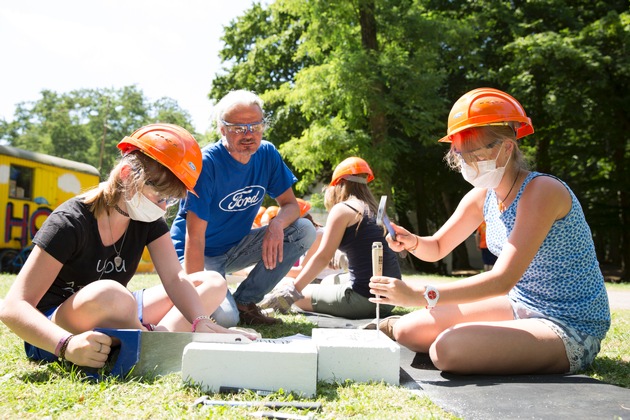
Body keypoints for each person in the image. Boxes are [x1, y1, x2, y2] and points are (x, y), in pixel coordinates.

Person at [370, 87, 610, 375]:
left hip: (567, 322)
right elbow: (436, 247)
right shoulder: (483, 197)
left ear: (506, 147)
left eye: (473, 154)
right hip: (519, 304)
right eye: (459, 155)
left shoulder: (541, 191)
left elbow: (501, 280)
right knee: (409, 330)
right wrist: (412, 242)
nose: (466, 164)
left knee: (446, 350)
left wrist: (419, 295)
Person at [0, 123, 252, 369]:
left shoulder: (146, 216)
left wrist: (199, 320)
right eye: (160, 196)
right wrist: (66, 345)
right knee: (111, 295)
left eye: (171, 200)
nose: (164, 208)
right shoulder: (69, 222)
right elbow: (13, 307)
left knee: (212, 282)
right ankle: (150, 339)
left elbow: (175, 278)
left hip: (120, 309)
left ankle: (151, 343)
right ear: (127, 175)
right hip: (56, 328)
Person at [170, 90, 316, 326]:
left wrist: (276, 224)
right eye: (238, 128)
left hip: (235, 247)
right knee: (225, 319)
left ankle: (245, 302)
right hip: (198, 253)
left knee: (303, 230)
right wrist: (197, 301)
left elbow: (290, 205)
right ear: (222, 129)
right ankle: (176, 293)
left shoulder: (267, 154)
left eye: (255, 126)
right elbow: (194, 238)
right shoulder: (205, 164)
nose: (248, 134)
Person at [261, 157, 401, 319]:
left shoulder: (343, 209)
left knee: (299, 295)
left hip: (364, 301)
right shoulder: (377, 211)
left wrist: (291, 292)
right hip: (390, 299)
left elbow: (322, 257)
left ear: (339, 185)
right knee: (328, 282)